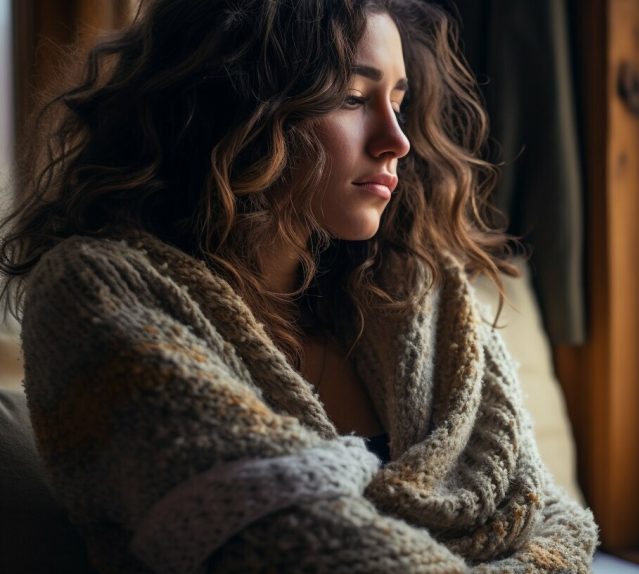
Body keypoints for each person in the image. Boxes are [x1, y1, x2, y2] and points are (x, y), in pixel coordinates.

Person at [0, 0, 599, 571]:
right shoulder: (97, 291)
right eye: (351, 96)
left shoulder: (423, 292)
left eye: (399, 99)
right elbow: (282, 546)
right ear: (238, 103)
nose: (398, 139)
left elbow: (557, 522)